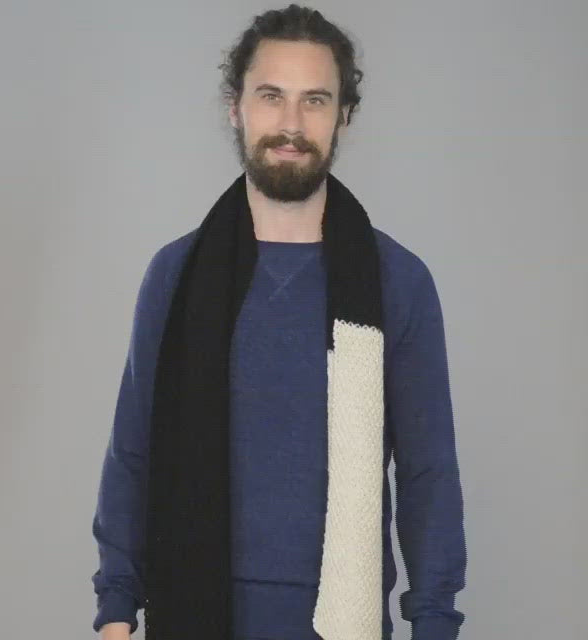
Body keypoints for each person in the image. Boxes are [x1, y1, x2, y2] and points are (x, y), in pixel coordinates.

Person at [91, 4, 467, 640]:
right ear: (235, 108)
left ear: (343, 116)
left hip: (342, 623)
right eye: (271, 96)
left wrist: (434, 623)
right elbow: (132, 452)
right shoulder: (175, 274)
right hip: (194, 613)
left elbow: (428, 474)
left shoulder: (398, 281)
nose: (291, 124)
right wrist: (117, 609)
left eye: (315, 100)